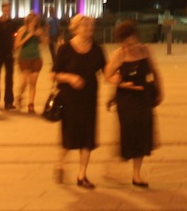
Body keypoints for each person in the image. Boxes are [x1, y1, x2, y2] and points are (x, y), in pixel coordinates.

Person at [105, 20, 161, 188]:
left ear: (135, 37)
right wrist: (121, 83)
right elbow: (107, 75)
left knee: (143, 134)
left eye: (130, 40)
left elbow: (155, 71)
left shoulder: (145, 51)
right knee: (128, 134)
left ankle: (137, 174)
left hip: (144, 98)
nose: (128, 45)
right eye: (124, 42)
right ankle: (115, 162)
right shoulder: (119, 54)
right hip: (126, 100)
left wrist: (160, 90)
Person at [52, 14, 106, 189]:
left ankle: (82, 175)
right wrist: (69, 77)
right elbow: (54, 74)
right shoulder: (65, 49)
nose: (89, 29)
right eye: (85, 26)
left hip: (89, 98)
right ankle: (60, 163)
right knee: (69, 136)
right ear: (75, 28)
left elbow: (107, 71)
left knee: (88, 137)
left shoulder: (97, 49)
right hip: (69, 99)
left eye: (91, 26)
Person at [15, 12, 47, 113]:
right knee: (25, 81)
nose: (34, 23)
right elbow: (17, 45)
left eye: (36, 21)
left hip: (36, 58)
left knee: (33, 82)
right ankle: (19, 97)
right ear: (28, 21)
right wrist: (28, 36)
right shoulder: (22, 30)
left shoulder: (39, 30)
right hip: (25, 58)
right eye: (32, 21)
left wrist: (42, 36)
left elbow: (45, 43)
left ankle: (31, 104)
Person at [0, 2, 19, 110]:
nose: (6, 11)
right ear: (2, 9)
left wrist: (15, 50)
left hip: (8, 53)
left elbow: (15, 36)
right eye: (5, 9)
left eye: (8, 9)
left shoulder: (12, 23)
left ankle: (8, 102)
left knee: (9, 78)